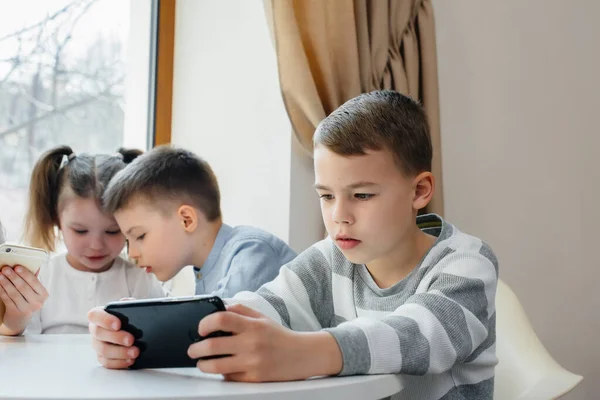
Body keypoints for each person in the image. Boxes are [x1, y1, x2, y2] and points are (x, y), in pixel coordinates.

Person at [88, 91, 498, 400]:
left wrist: (305, 354)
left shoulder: (466, 263)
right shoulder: (330, 258)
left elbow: (419, 336)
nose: (339, 215)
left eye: (362, 195)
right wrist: (143, 335)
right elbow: (259, 306)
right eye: (326, 195)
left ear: (419, 190)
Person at [0, 146, 164, 336]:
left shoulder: (141, 280)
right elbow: (18, 341)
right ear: (56, 219)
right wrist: (16, 318)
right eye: (80, 231)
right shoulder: (40, 276)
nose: (96, 245)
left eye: (112, 231)